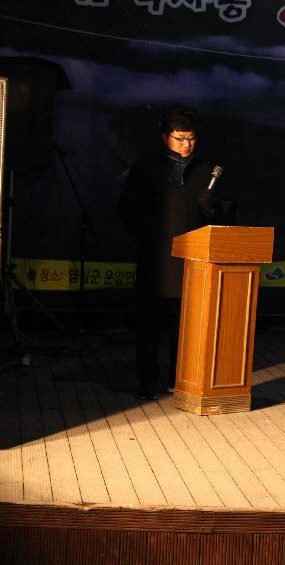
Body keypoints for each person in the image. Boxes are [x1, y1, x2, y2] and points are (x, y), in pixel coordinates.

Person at [117, 107, 219, 400]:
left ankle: (180, 377)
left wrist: (210, 205)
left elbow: (216, 218)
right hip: (157, 260)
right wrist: (149, 238)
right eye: (180, 138)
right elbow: (125, 209)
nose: (186, 144)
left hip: (192, 261)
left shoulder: (204, 171)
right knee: (149, 326)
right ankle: (148, 381)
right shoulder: (146, 169)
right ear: (165, 137)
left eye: (191, 138)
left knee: (185, 326)